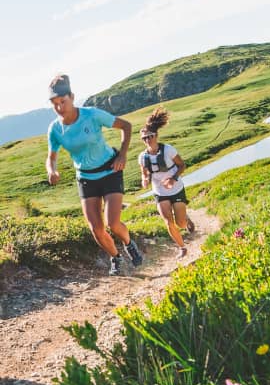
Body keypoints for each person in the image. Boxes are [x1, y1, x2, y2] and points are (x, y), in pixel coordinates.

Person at [45, 73, 143, 276]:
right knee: (96, 229)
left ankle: (128, 243)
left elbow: (126, 126)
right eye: (54, 104)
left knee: (113, 224)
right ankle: (115, 258)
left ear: (72, 97)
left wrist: (122, 155)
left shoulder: (92, 115)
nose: (59, 108)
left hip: (110, 170)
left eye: (62, 102)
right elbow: (51, 156)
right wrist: (51, 170)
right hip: (86, 177)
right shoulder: (55, 129)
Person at [138, 108, 194, 259]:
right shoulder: (142, 157)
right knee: (168, 222)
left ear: (156, 136)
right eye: (144, 138)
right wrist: (145, 180)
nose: (147, 140)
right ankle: (182, 247)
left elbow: (182, 165)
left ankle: (186, 219)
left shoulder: (168, 150)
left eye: (149, 137)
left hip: (176, 188)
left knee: (180, 223)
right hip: (160, 192)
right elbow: (145, 173)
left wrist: (172, 178)